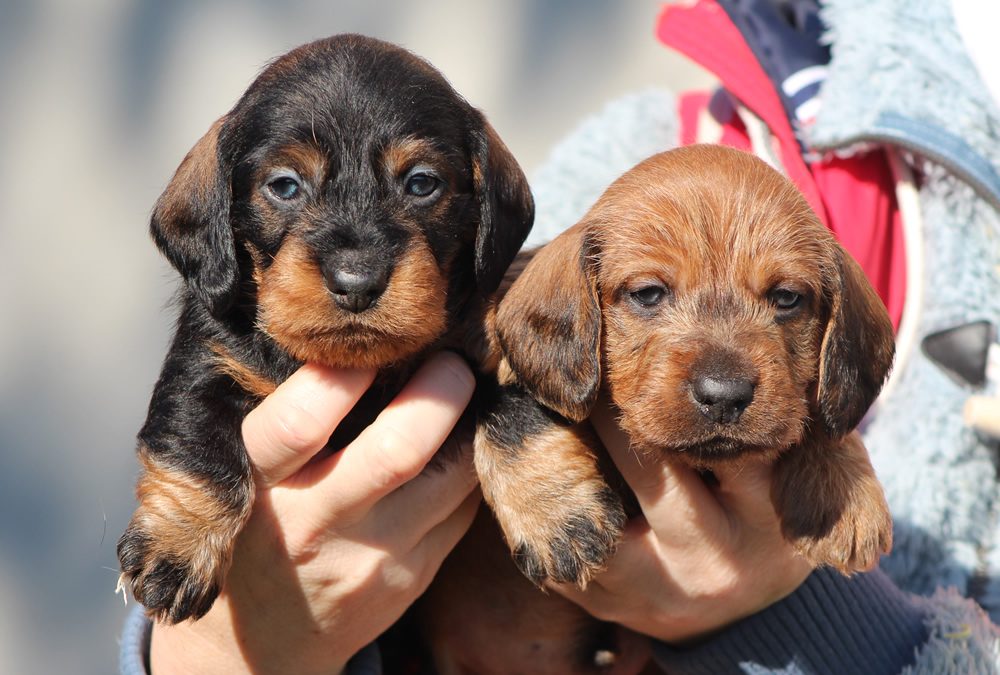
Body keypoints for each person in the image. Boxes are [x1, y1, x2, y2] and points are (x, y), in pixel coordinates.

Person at [121, 0, 1000, 672]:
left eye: (422, 187)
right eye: (647, 295)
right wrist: (227, 648)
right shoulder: (629, 173)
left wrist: (809, 603)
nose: (355, 267)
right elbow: (525, 354)